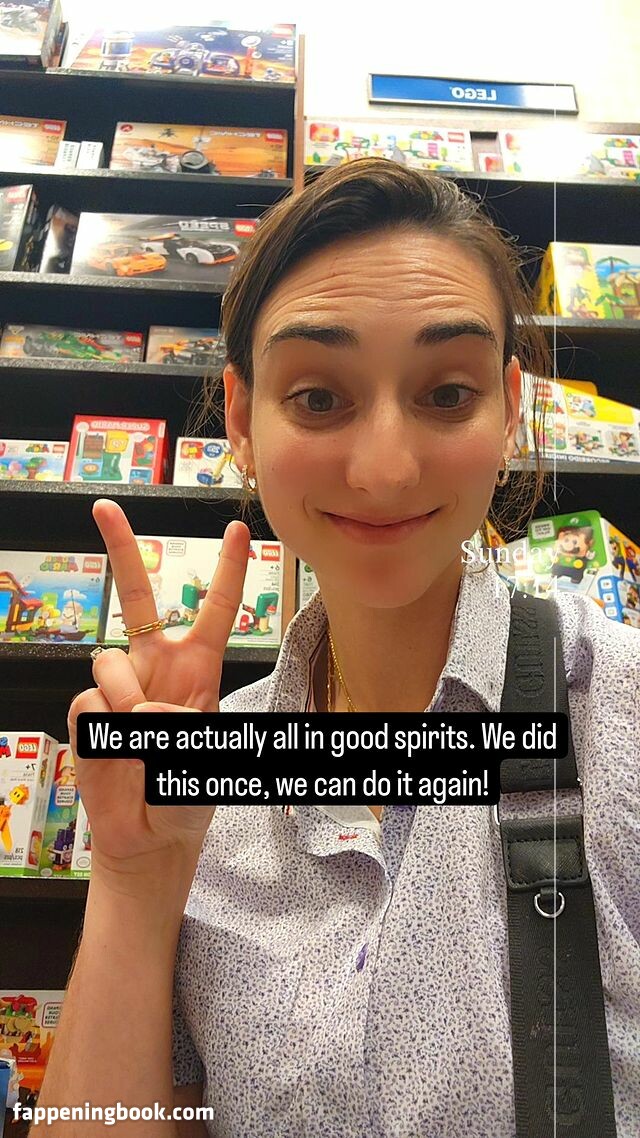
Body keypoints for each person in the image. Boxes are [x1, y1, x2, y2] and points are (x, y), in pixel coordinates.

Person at [38, 159, 639, 1137]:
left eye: (447, 393)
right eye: (319, 398)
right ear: (242, 419)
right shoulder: (197, 768)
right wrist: (134, 880)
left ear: (509, 409)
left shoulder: (620, 713)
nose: (385, 469)